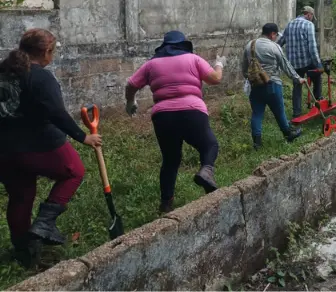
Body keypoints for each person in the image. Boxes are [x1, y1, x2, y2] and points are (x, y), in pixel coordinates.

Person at [0, 29, 102, 268]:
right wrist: (82, 137)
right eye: (52, 52)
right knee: (74, 171)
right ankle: (44, 223)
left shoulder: (3, 72)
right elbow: (56, 113)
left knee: (20, 197)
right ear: (46, 52)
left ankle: (25, 251)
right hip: (41, 144)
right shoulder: (41, 77)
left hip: (5, 150)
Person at [124, 30, 225, 213]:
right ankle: (207, 171)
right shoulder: (193, 59)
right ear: (183, 45)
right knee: (209, 145)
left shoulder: (151, 65)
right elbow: (215, 79)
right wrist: (219, 64)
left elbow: (131, 84)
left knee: (170, 160)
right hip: (192, 111)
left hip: (163, 116)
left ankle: (166, 203)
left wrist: (131, 102)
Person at [243, 23, 306, 150]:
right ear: (272, 34)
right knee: (279, 111)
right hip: (272, 84)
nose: (276, 37)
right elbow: (285, 65)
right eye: (276, 35)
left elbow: (244, 67)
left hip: (255, 86)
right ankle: (288, 134)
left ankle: (257, 143)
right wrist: (297, 79)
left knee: (257, 114)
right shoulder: (274, 47)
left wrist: (249, 79)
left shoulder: (250, 46)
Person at [278, 6, 323, 119]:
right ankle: (318, 102)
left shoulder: (290, 24)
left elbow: (280, 42)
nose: (312, 19)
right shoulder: (309, 25)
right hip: (307, 62)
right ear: (309, 15)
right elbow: (312, 47)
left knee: (297, 86)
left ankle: (296, 114)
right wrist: (318, 64)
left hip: (293, 64)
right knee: (317, 77)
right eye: (312, 17)